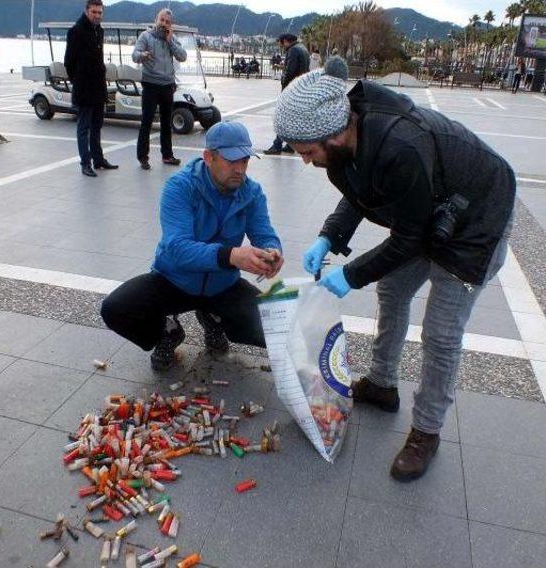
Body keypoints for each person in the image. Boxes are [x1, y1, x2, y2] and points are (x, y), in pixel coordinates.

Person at [273, 57, 515, 481]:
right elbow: (359, 193)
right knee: (392, 290)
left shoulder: (400, 146)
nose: (307, 162)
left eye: (308, 152)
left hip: (477, 217)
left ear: (332, 133)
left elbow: (409, 238)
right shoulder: (345, 143)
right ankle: (383, 385)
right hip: (429, 209)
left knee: (441, 333)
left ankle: (427, 431)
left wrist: (350, 275)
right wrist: (329, 236)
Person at [101, 122, 284, 371]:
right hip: (174, 281)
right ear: (209, 157)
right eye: (232, 161)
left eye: (245, 161)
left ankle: (213, 318)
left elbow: (264, 233)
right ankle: (168, 332)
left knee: (275, 329)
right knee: (116, 309)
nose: (240, 169)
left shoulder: (251, 192)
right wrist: (230, 255)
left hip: (223, 284)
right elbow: (177, 248)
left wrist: (272, 252)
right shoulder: (180, 187)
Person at [64, 0, 118, 177]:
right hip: (84, 87)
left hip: (98, 87)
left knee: (97, 125)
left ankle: (98, 159)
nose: (97, 16)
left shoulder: (99, 31)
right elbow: (69, 62)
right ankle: (85, 163)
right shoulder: (76, 31)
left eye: (100, 13)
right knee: (84, 127)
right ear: (86, 11)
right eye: (94, 12)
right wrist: (78, 81)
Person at [132, 9, 187, 171]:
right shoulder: (146, 36)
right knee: (147, 121)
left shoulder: (172, 38)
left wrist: (170, 40)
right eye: (161, 20)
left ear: (171, 24)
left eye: (167, 22)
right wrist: (143, 54)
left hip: (167, 85)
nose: (164, 24)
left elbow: (182, 56)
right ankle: (143, 157)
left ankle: (167, 155)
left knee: (166, 122)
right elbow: (134, 55)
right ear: (156, 19)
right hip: (150, 84)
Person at [263, 33, 310, 155]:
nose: (280, 45)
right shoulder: (302, 48)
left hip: (292, 90)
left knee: (282, 118)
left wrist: (283, 82)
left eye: (280, 43)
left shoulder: (293, 50)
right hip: (300, 88)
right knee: (291, 118)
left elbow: (290, 71)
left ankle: (277, 145)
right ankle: (290, 145)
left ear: (285, 41)